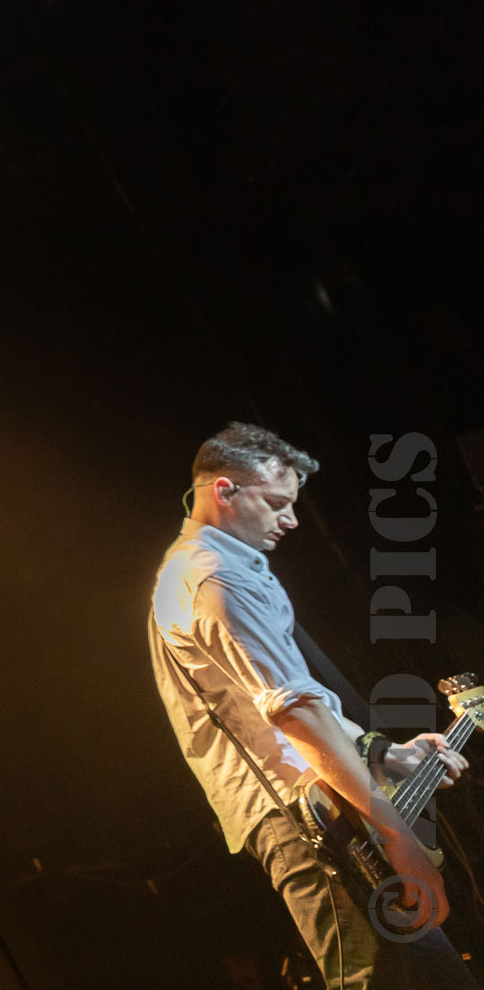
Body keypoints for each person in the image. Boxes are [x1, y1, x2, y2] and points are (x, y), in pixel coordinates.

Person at [150, 422, 476, 989]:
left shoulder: (230, 569)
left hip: (325, 804)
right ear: (223, 491)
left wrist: (386, 753)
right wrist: (399, 838)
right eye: (277, 502)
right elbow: (294, 714)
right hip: (303, 816)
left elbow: (300, 704)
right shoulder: (213, 578)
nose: (293, 519)